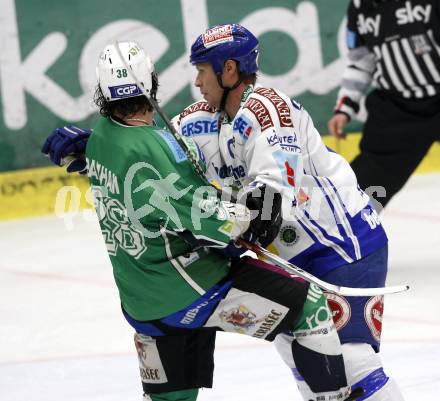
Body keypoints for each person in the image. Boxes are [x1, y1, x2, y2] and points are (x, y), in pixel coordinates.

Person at [43, 24, 402, 400]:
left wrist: (222, 229)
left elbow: (268, 207)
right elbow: (151, 158)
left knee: (351, 364)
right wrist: (98, 149)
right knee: (305, 362)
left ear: (228, 70)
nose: (196, 81)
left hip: (342, 247)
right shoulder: (202, 118)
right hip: (289, 255)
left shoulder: (268, 113)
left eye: (201, 70)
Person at [327, 0, 440, 209]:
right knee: (361, 194)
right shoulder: (360, 8)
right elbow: (361, 62)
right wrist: (345, 108)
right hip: (399, 111)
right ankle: (341, 231)